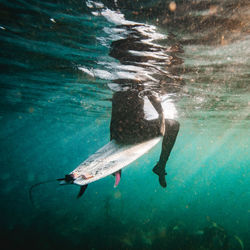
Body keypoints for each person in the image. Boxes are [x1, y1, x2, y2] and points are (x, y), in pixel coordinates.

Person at [110, 87, 179, 187]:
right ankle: (161, 165)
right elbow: (156, 104)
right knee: (174, 125)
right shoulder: (142, 88)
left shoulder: (117, 94)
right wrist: (161, 117)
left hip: (120, 136)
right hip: (137, 132)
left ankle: (160, 166)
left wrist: (113, 142)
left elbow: (113, 124)